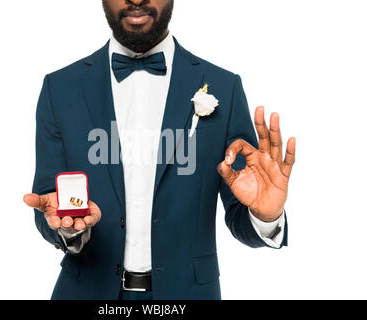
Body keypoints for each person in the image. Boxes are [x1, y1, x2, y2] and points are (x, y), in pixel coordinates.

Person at [23, 0, 296, 300]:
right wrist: (67, 228)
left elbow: (240, 216)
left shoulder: (224, 87)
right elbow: (47, 203)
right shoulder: (60, 88)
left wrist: (266, 217)